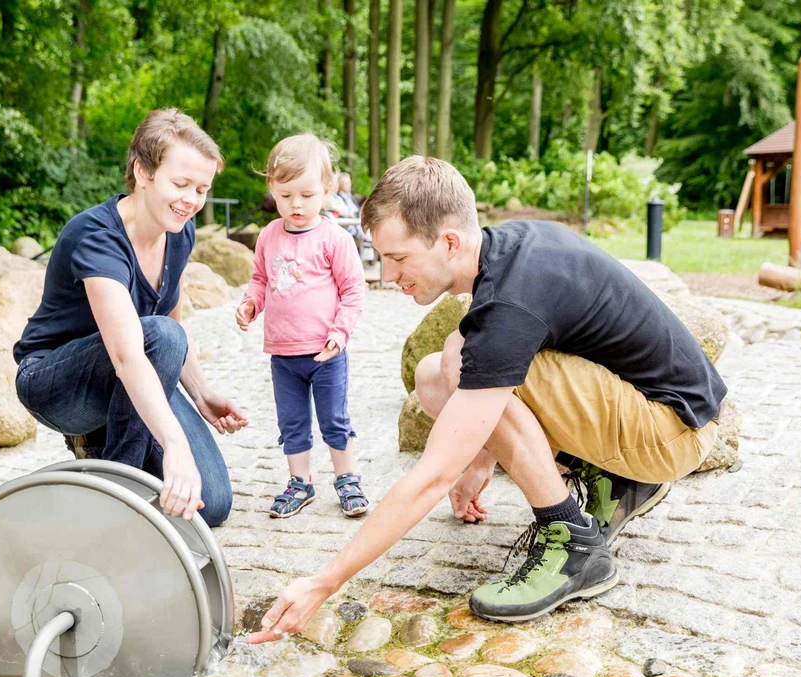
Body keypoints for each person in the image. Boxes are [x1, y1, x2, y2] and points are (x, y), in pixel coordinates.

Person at [247, 156, 725, 642]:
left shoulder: (509, 304)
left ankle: (574, 547)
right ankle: (618, 481)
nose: (390, 274)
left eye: (400, 257)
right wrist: (480, 461)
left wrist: (323, 583)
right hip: (651, 405)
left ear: (450, 241)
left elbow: (430, 477)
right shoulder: (505, 250)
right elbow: (468, 359)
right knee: (439, 368)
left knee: (470, 361)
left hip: (671, 431)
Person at [13, 108, 247, 526]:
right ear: (143, 172)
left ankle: (114, 451)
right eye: (181, 184)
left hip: (135, 368)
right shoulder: (96, 236)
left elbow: (170, 330)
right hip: (56, 383)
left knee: (211, 504)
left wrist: (202, 393)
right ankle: (115, 497)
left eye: (202, 189)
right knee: (160, 336)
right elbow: (128, 355)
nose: (192, 200)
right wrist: (173, 445)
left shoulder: (179, 232)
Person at [235, 134, 369, 519]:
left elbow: (353, 290)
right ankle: (300, 482)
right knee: (291, 423)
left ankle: (347, 478)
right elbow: (260, 279)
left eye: (307, 195)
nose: (296, 204)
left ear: (326, 190)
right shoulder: (267, 237)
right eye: (286, 194)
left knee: (334, 420)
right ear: (272, 188)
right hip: (283, 354)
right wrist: (250, 304)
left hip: (326, 352)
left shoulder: (335, 239)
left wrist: (339, 334)